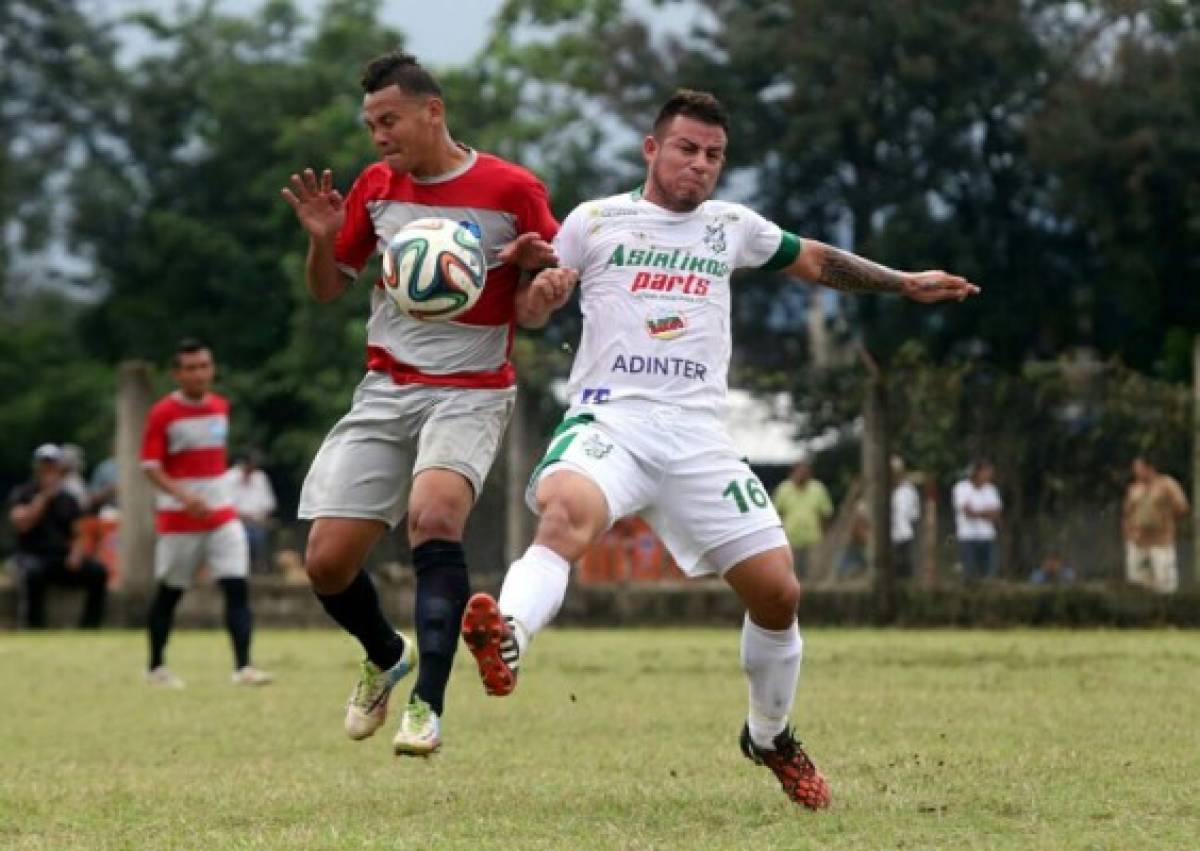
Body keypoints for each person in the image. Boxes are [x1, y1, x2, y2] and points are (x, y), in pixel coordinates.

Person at [459, 89, 979, 809]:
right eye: (686, 149)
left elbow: (816, 259)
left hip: (699, 437)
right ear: (652, 148)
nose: (700, 166)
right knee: (563, 514)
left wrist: (902, 283)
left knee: (778, 591)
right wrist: (541, 300)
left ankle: (769, 734)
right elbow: (530, 305)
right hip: (612, 420)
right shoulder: (594, 222)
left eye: (714, 156)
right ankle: (508, 635)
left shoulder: (731, 227)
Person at [280, 51, 570, 757]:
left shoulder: (512, 188)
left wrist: (538, 281)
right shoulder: (376, 187)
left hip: (470, 392)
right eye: (371, 123)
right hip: (386, 388)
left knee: (433, 517)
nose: (379, 135)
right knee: (325, 563)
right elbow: (328, 288)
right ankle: (386, 654)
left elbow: (538, 303)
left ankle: (427, 706)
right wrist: (321, 243)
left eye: (390, 120)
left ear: (431, 111)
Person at [140, 340, 274, 688]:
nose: (199, 374)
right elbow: (151, 466)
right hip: (179, 521)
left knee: (236, 586)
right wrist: (185, 497)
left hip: (221, 516)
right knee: (170, 592)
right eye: (191, 368)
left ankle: (243, 666)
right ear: (177, 373)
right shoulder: (162, 414)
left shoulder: (219, 407)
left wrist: (212, 498)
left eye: (204, 366)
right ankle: (156, 666)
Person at [8, 443, 107, 628]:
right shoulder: (23, 493)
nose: (49, 472)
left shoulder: (68, 500)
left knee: (98, 572)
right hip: (31, 555)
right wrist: (44, 497)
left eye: (53, 467)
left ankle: (90, 626)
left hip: (60, 556)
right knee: (32, 574)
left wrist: (76, 554)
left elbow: (79, 532)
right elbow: (23, 524)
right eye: (45, 466)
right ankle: (34, 626)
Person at [1123, 455, 1188, 594]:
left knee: (1165, 585)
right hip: (1138, 542)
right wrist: (1128, 534)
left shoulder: (1167, 484)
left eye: (1138, 467)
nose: (1135, 471)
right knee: (1138, 583)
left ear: (1149, 468)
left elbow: (1182, 507)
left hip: (1161, 542)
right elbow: (1127, 513)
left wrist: (1165, 517)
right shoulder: (1134, 489)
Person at [771, 459, 833, 579]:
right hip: (789, 540)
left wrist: (826, 536)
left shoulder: (818, 489)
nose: (802, 475)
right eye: (799, 471)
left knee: (813, 577)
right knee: (790, 577)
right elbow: (776, 515)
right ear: (792, 473)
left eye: (805, 472)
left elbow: (826, 514)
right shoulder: (783, 489)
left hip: (813, 540)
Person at [225, 450, 277, 574]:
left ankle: (259, 567)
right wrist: (243, 517)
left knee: (258, 533)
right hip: (235, 521)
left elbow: (269, 504)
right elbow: (227, 505)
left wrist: (262, 517)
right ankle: (242, 568)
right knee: (247, 534)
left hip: (258, 521)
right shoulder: (229, 477)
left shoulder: (260, 477)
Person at [952, 461, 1002, 580]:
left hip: (987, 536)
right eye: (986, 472)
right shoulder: (961, 488)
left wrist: (977, 512)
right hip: (967, 537)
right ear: (977, 472)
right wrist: (986, 512)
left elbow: (996, 514)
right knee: (969, 575)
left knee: (988, 574)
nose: (989, 475)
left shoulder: (991, 489)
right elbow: (968, 512)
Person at [891, 456, 921, 581]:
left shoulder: (909, 490)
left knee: (906, 571)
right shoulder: (881, 490)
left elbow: (915, 514)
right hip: (886, 538)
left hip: (905, 535)